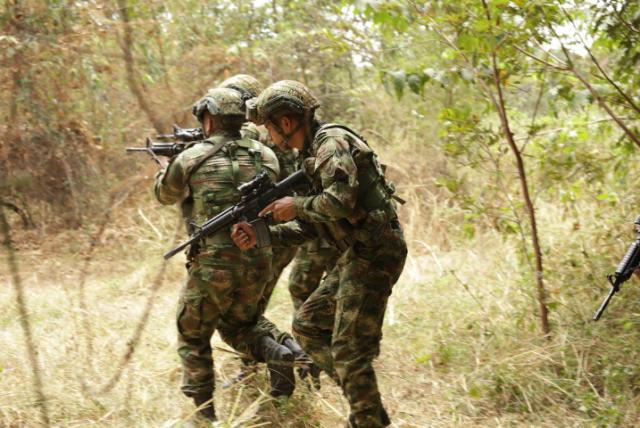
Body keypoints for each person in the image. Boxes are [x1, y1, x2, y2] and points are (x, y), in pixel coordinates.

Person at [231, 80, 408, 427]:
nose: (268, 134)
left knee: (347, 348)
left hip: (376, 251)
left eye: (268, 125)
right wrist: (262, 236)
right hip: (358, 251)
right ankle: (367, 405)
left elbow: (340, 202)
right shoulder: (310, 153)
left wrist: (294, 205)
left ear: (285, 122)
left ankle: (366, 416)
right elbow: (314, 226)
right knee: (308, 325)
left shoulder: (331, 143)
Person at [154, 87, 295, 421]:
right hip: (258, 257)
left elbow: (164, 194)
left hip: (214, 264)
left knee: (193, 332)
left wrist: (163, 165)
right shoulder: (267, 155)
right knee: (241, 324)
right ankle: (276, 353)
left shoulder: (191, 158)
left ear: (210, 118)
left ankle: (206, 414)